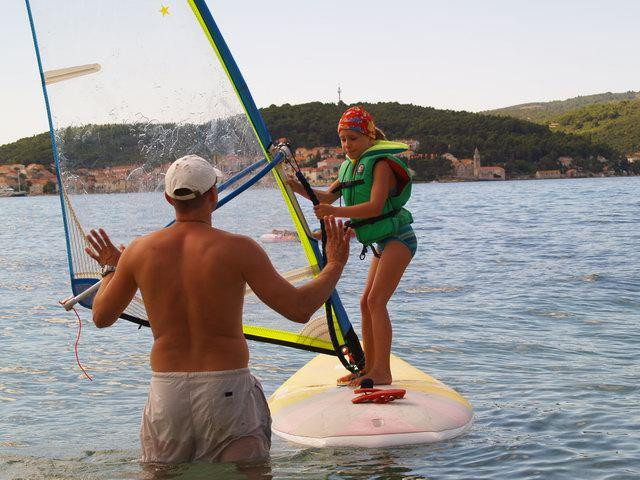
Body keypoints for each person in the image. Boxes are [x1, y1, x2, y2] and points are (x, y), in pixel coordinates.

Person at [85, 154, 351, 464]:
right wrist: (334, 264)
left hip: (167, 393)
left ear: (169, 199)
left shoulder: (138, 251)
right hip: (226, 390)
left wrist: (110, 269)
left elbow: (102, 317)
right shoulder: (238, 248)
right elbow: (299, 308)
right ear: (213, 194)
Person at [287, 106, 416, 387]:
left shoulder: (380, 165)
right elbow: (327, 198)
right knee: (364, 302)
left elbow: (374, 207)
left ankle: (382, 371)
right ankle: (367, 367)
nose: (347, 144)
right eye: (343, 139)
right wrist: (293, 186)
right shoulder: (348, 167)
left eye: (353, 138)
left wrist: (333, 215)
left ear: (369, 138)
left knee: (376, 301)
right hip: (381, 243)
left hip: (399, 239)